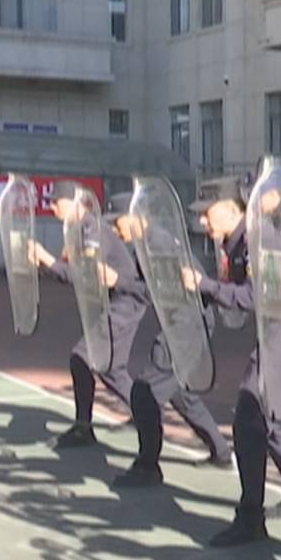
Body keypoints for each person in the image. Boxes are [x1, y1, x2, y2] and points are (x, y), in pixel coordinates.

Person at [185, 184, 281, 547]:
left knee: (248, 418)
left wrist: (206, 286)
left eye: (207, 212)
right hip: (277, 337)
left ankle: (251, 517)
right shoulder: (243, 241)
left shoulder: (260, 241)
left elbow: (255, 298)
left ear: (230, 210)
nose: (201, 219)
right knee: (269, 422)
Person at [113, 183, 238, 488]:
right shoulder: (148, 244)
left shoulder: (158, 246)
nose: (115, 229)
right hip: (186, 323)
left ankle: (147, 466)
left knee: (144, 394)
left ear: (136, 219)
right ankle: (221, 452)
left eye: (117, 221)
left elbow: (164, 289)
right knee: (184, 396)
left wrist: (118, 281)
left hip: (186, 326)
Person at [29, 188, 149, 450]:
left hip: (126, 301)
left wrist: (46, 259)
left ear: (75, 202)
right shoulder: (80, 229)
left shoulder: (91, 229)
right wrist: (47, 264)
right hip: (115, 302)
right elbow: (73, 273)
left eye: (56, 202)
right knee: (111, 369)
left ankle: (85, 427)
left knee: (82, 357)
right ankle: (146, 414)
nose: (52, 208)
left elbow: (83, 274)